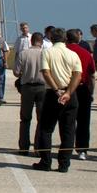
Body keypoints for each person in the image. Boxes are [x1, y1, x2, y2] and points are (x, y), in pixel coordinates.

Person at [34, 28, 82, 172]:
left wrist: (56, 90)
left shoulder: (47, 52)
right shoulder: (72, 54)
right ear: (65, 39)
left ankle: (46, 161)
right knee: (68, 130)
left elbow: (46, 72)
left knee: (46, 129)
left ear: (51, 38)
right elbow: (77, 75)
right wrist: (68, 92)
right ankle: (64, 163)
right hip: (70, 93)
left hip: (52, 93)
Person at [13, 32, 47, 156]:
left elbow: (16, 72)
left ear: (31, 41)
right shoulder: (45, 53)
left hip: (27, 87)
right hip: (42, 87)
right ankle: (38, 147)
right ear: (41, 42)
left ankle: (23, 147)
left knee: (25, 119)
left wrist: (25, 73)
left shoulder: (23, 54)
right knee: (41, 119)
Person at [65, 29, 97, 160]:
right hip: (83, 88)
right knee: (83, 120)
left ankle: (66, 147)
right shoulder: (86, 53)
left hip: (66, 88)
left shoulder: (63, 53)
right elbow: (92, 75)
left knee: (66, 120)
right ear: (78, 39)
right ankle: (82, 149)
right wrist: (91, 91)